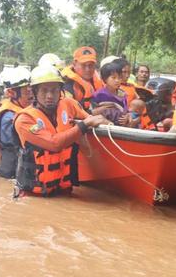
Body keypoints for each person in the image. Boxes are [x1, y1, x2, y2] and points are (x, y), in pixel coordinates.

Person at [13, 65, 108, 196]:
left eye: (54, 90)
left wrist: (108, 123)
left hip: (63, 190)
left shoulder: (68, 104)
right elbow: (54, 144)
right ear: (34, 92)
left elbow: (91, 118)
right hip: (34, 195)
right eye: (44, 91)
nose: (50, 96)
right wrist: (84, 126)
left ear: (60, 91)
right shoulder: (24, 119)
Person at [0, 66, 33, 179]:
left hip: (20, 170)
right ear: (12, 93)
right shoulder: (9, 117)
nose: (31, 94)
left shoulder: (23, 109)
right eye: (26, 90)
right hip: (11, 173)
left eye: (32, 89)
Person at [61, 46, 104, 111]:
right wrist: (91, 113)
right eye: (83, 65)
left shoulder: (97, 79)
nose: (88, 69)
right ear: (74, 65)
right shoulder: (67, 84)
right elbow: (69, 111)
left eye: (91, 65)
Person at [91, 62, 134, 126]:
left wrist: (127, 116)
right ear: (105, 79)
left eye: (119, 78)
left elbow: (125, 110)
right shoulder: (99, 95)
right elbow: (93, 113)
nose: (117, 80)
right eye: (113, 78)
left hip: (121, 127)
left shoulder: (122, 94)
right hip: (104, 128)